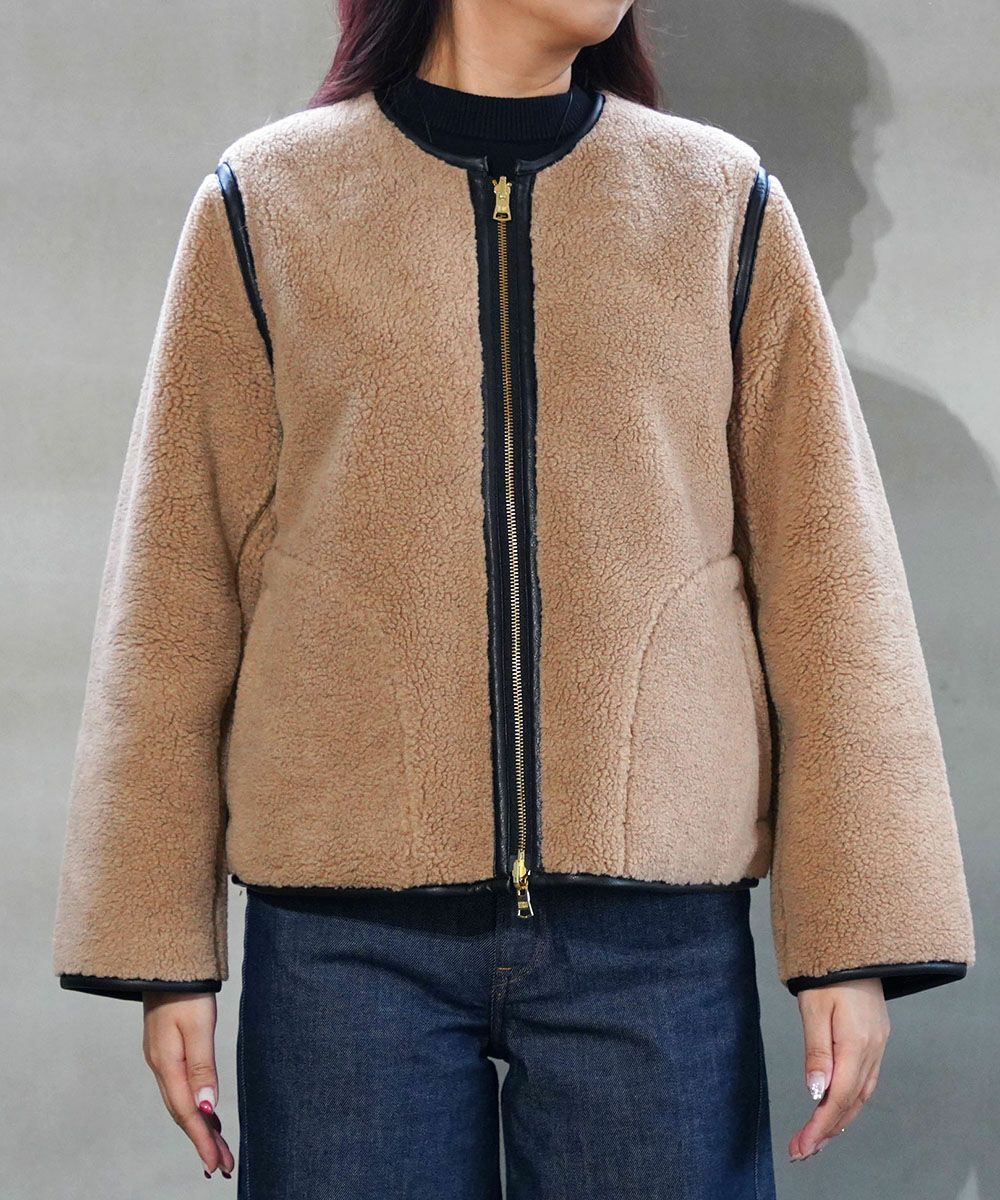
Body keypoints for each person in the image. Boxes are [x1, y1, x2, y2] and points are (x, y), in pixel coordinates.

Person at [51, 1, 975, 1196]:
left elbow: (831, 587)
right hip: (345, 940)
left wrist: (852, 936)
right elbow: (174, 587)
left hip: (653, 944)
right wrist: (160, 946)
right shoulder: (268, 204)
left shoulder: (716, 203)